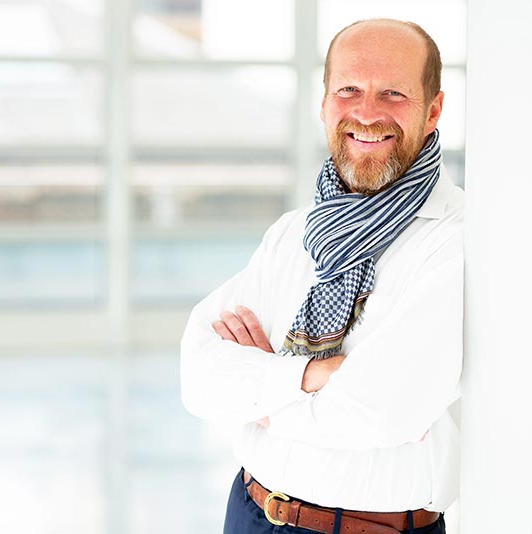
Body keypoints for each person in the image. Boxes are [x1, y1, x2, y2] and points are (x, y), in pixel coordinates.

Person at [181, 18, 463, 534]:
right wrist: (309, 376)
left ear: (433, 110)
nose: (367, 113)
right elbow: (198, 377)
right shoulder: (295, 232)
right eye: (348, 90)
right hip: (249, 511)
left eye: (394, 93)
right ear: (325, 103)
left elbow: (379, 410)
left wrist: (262, 397)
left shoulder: (456, 240)